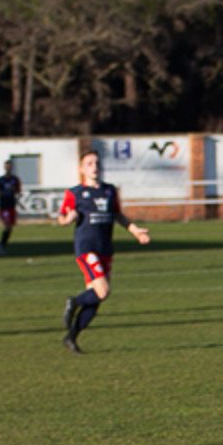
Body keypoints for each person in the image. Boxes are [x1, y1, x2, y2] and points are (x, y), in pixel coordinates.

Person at [56, 147, 150, 353]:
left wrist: (136, 231)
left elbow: (118, 215)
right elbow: (62, 218)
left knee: (98, 297)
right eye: (89, 163)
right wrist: (68, 219)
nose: (95, 167)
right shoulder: (74, 193)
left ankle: (71, 337)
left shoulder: (109, 191)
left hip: (105, 248)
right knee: (103, 291)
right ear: (82, 169)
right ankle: (73, 302)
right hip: (86, 248)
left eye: (97, 163)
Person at [0, 158, 23, 254]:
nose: (8, 169)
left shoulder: (15, 180)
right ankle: (1, 246)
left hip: (12, 205)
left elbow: (18, 191)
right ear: (4, 167)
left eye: (10, 167)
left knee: (10, 227)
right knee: (8, 226)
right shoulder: (0, 180)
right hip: (3, 206)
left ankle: (2, 245)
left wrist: (14, 191)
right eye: (6, 167)